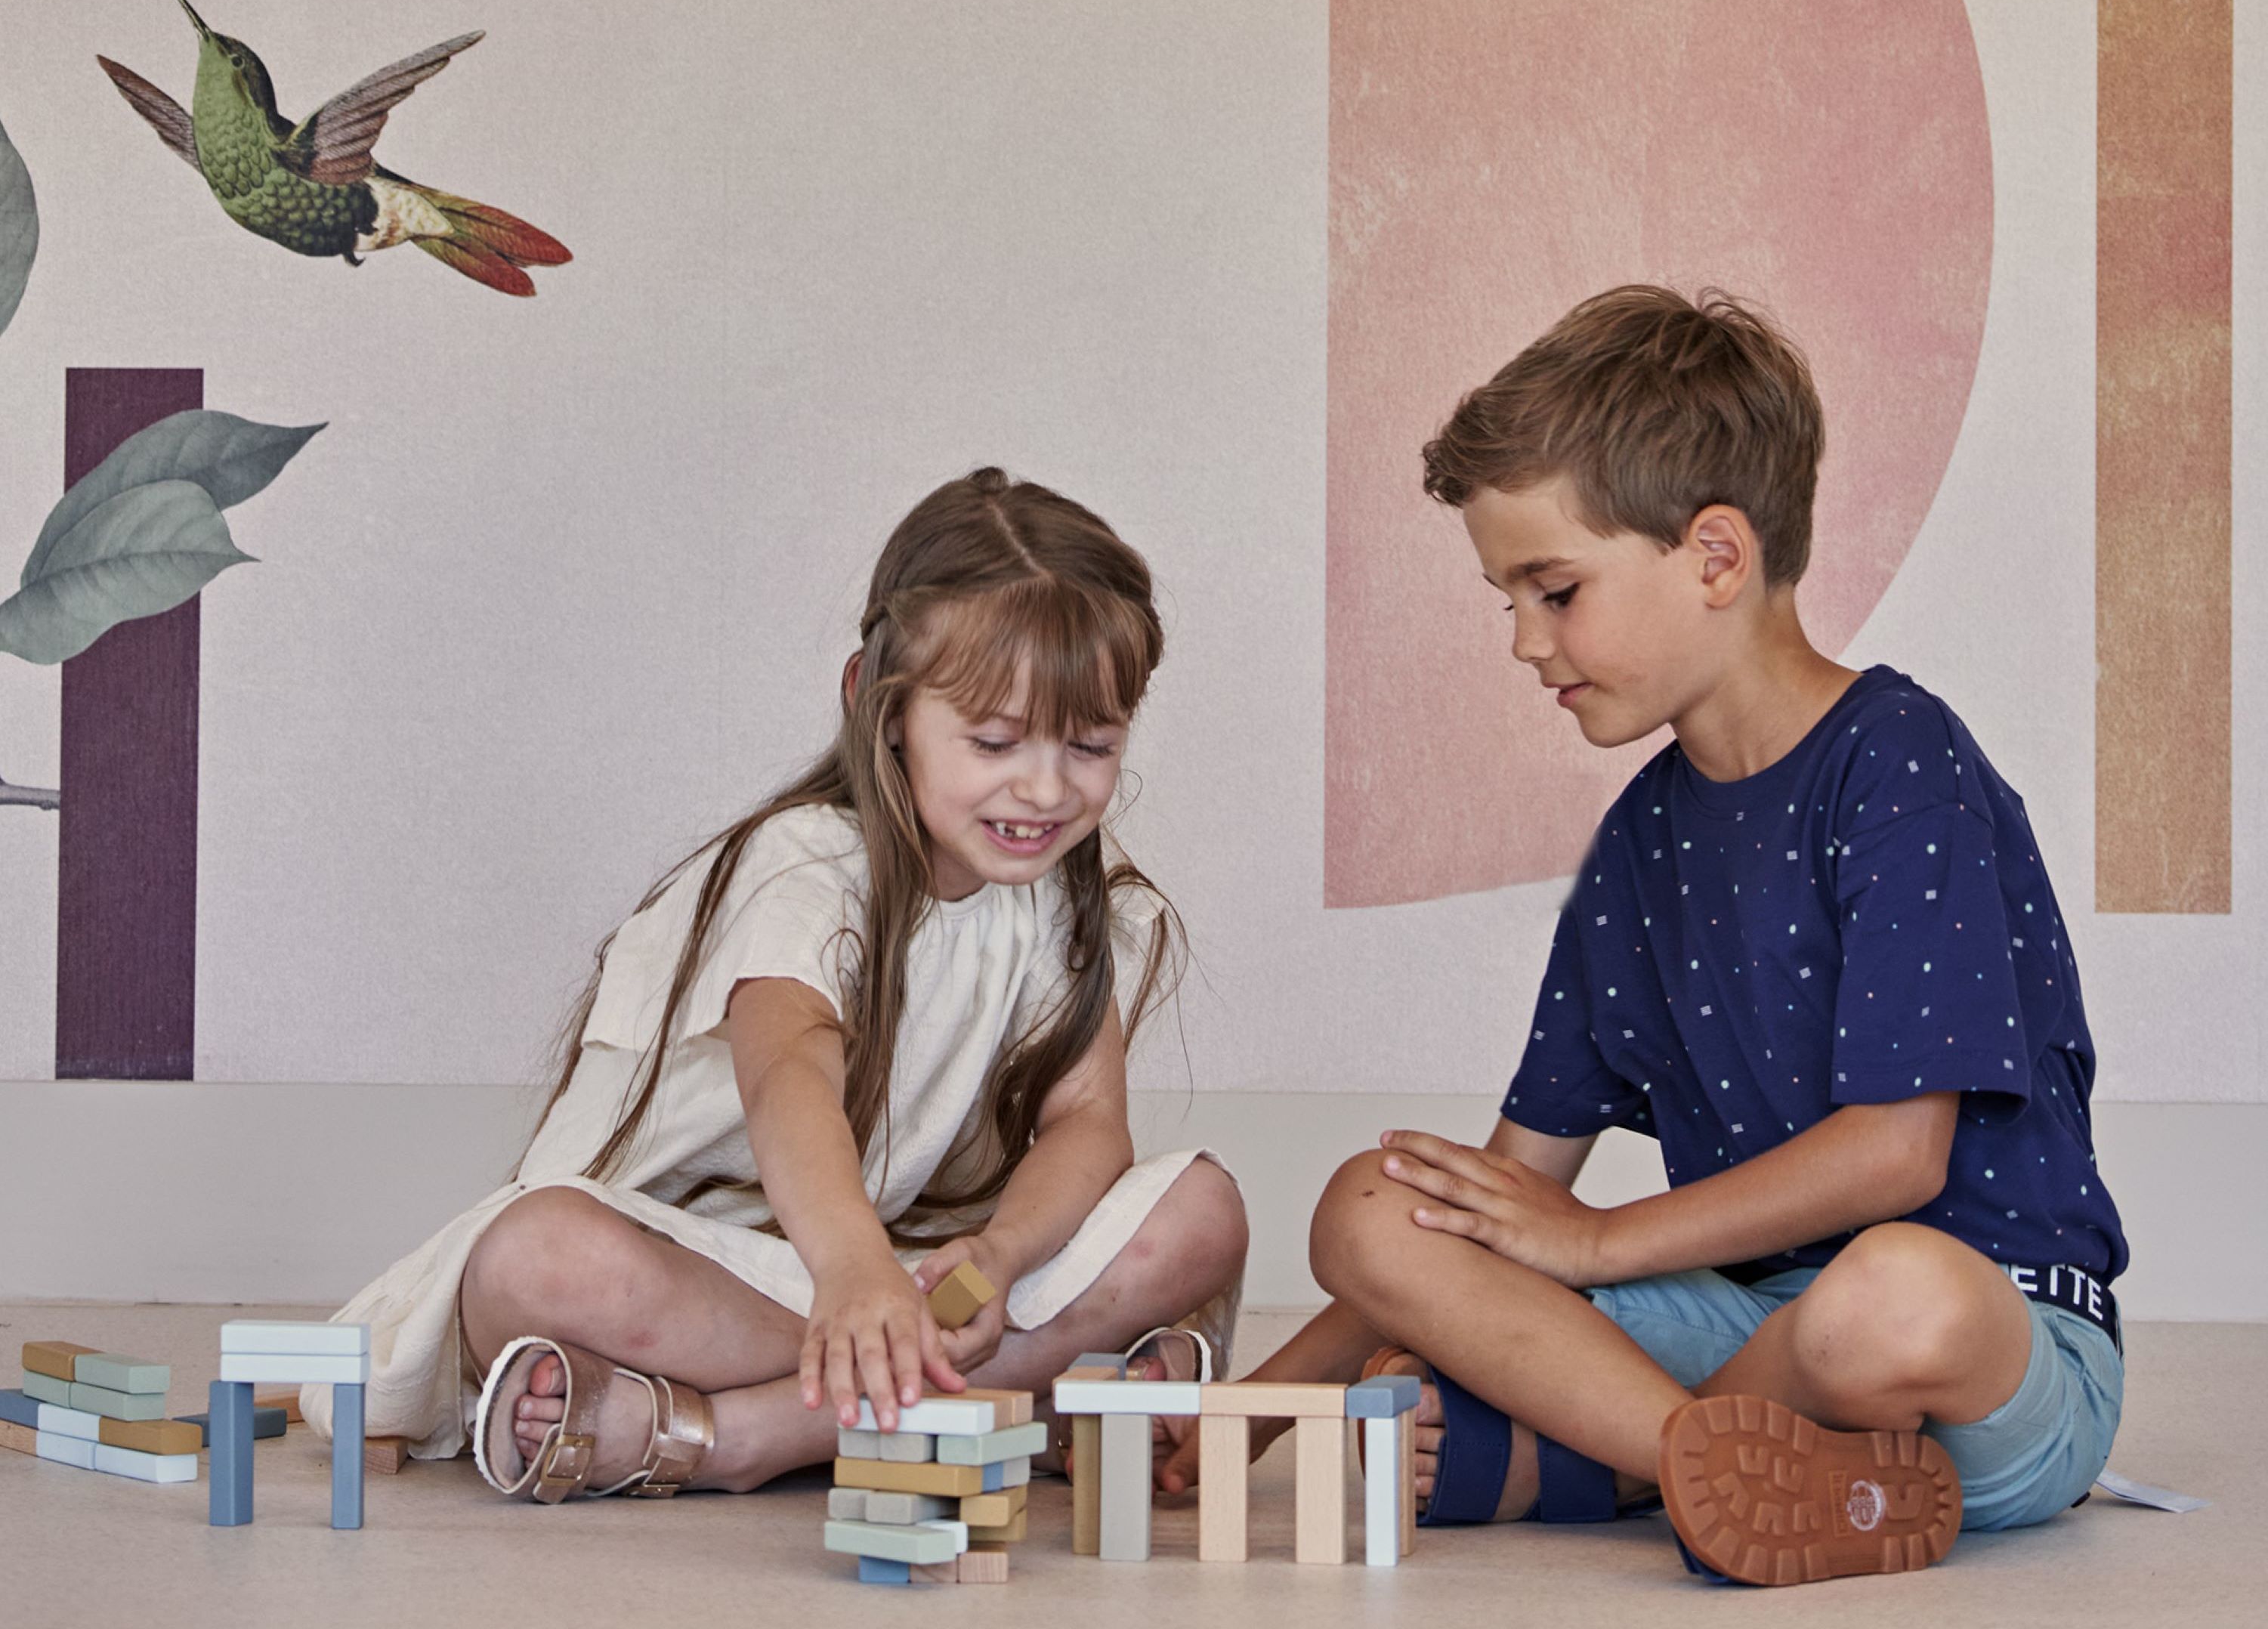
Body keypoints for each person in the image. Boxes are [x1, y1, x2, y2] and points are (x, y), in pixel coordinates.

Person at [1174, 288, 2124, 1586]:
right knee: (1376, 1208)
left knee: (1888, 1296)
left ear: (1715, 558)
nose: (1522, 642)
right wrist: (1248, 1414)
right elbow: (1505, 1199)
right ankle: (1724, 1468)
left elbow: (1900, 1156)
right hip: (1746, 1328)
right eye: (1506, 599)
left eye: (1553, 590)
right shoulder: (1644, 840)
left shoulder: (1902, 769)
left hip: (1978, 1338)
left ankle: (1616, 1461)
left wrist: (1606, 1247)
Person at [310, 468, 1247, 1500]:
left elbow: (1087, 1123)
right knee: (531, 1262)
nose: (1043, 786)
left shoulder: (1070, 898)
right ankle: (1015, 1396)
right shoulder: (807, 864)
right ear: (879, 708)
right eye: (992, 741)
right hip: (732, 1262)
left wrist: (998, 1256)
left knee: (1201, 1208)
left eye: (1091, 745)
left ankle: (736, 1435)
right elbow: (787, 1070)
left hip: (912, 1271)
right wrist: (850, 1273)